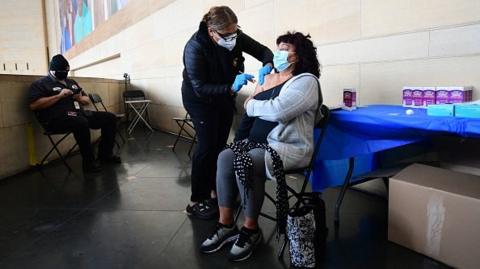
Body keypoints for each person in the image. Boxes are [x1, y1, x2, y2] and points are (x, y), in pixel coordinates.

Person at [199, 32, 322, 261]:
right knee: (225, 156)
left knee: (247, 159)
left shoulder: (306, 81)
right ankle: (226, 224)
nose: (278, 54)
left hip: (288, 148)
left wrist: (252, 103)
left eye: (284, 48)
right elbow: (255, 113)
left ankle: (250, 229)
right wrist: (256, 104)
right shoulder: (271, 78)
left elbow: (279, 110)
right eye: (277, 48)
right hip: (258, 143)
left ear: (298, 55)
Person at [181, 6, 274, 219]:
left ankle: (217, 191)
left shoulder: (235, 36)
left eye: (235, 31)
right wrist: (231, 87)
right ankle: (197, 199)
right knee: (207, 146)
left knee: (220, 145)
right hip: (200, 99)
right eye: (226, 34)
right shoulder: (195, 47)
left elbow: (263, 50)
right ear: (212, 31)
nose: (232, 38)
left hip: (224, 94)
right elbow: (200, 87)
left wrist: (267, 64)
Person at [29, 54, 121, 173]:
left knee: (110, 118)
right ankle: (89, 162)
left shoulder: (71, 82)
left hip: (79, 114)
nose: (65, 74)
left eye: (67, 71)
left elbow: (86, 100)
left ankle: (105, 154)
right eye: (62, 71)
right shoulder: (41, 84)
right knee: (81, 122)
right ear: (52, 70)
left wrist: (80, 99)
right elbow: (34, 105)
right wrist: (59, 96)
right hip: (56, 120)